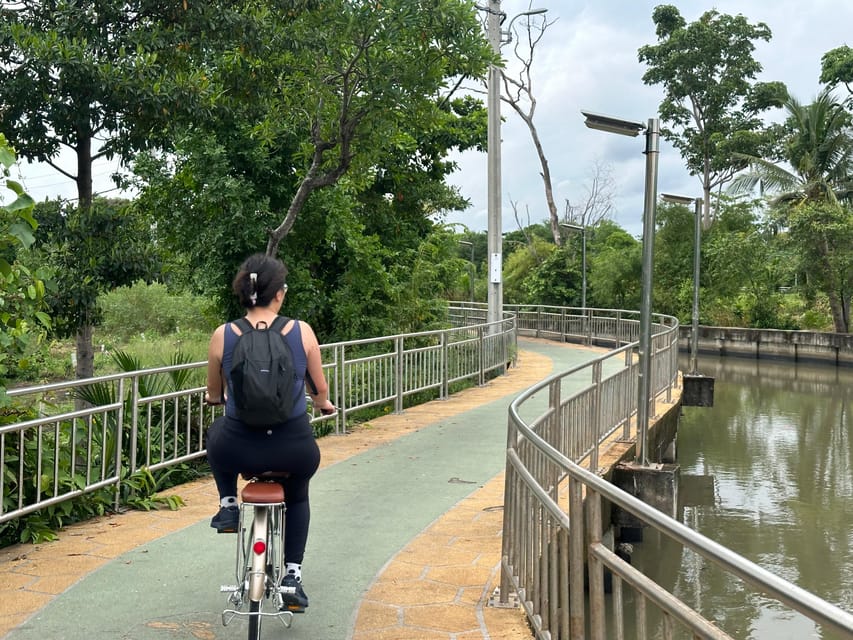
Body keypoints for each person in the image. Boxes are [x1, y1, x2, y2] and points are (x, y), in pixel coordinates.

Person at [204, 253, 334, 612]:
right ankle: (292, 576)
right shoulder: (301, 331)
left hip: (238, 446)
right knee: (298, 496)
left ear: (244, 293)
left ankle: (228, 504)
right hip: (292, 448)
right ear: (278, 294)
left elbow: (214, 393)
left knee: (216, 437)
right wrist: (323, 403)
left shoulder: (223, 335)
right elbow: (319, 390)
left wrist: (216, 398)